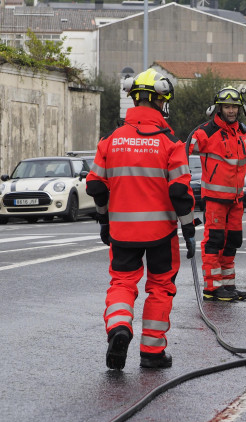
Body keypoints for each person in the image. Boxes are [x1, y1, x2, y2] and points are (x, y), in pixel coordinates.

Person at [86, 68, 197, 370]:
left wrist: (104, 220)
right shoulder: (170, 142)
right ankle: (152, 352)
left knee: (122, 282)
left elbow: (95, 185)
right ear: (161, 100)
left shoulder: (111, 140)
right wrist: (188, 228)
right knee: (160, 287)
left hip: (122, 232)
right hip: (161, 232)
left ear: (134, 99)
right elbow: (180, 192)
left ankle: (119, 327)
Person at [188, 86, 246, 302]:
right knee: (214, 241)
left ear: (240, 109)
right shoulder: (206, 132)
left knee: (232, 241)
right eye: (227, 107)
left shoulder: (243, 133)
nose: (231, 111)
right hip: (215, 199)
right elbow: (181, 150)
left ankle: (227, 285)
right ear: (219, 108)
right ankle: (212, 287)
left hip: (236, 200)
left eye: (234, 107)